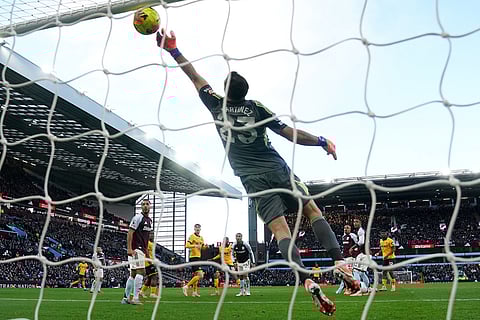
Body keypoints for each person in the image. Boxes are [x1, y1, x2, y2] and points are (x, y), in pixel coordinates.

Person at [156, 29, 359, 316]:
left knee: (280, 231)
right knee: (312, 210)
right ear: (246, 92)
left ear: (226, 91)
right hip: (277, 170)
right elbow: (290, 134)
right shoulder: (256, 107)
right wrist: (322, 141)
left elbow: (195, 77)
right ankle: (340, 262)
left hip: (252, 180)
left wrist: (173, 49)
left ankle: (307, 280)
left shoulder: (216, 105)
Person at [121, 199, 153, 305]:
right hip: (136, 249)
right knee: (141, 272)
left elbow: (146, 238)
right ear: (141, 207)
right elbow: (130, 233)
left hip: (142, 249)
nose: (145, 206)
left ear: (150, 206)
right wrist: (129, 248)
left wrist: (147, 254)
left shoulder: (149, 221)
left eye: (147, 204)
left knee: (133, 274)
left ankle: (125, 298)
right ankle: (135, 298)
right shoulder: (138, 218)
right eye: (143, 204)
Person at [183, 223, 207, 297]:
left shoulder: (201, 238)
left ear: (200, 229)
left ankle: (194, 292)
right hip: (193, 257)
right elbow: (186, 245)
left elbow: (202, 248)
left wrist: (205, 247)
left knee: (196, 275)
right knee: (200, 275)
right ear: (194, 229)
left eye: (199, 228)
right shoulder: (191, 236)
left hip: (198, 257)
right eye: (196, 228)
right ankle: (186, 286)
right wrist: (195, 245)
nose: (197, 229)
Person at [336, 225, 358, 295]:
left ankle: (348, 288)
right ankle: (346, 288)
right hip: (344, 257)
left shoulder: (353, 236)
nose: (345, 229)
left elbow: (357, 244)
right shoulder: (343, 237)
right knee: (343, 273)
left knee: (349, 273)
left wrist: (354, 252)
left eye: (347, 228)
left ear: (350, 229)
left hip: (350, 258)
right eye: (344, 228)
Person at [140, 234, 159, 298]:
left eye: (153, 234)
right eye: (150, 234)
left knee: (150, 278)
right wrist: (150, 261)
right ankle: (152, 294)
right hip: (148, 262)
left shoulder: (151, 243)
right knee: (154, 277)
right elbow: (146, 251)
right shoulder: (147, 243)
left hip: (150, 262)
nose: (152, 236)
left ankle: (141, 292)